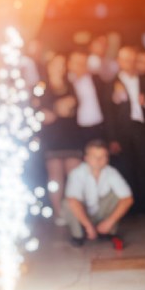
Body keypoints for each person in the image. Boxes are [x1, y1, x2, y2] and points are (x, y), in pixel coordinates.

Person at [110, 46, 145, 212]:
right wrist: (112, 138)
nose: (129, 63)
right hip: (122, 130)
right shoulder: (112, 84)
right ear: (119, 62)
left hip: (141, 127)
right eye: (125, 59)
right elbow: (109, 113)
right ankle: (130, 207)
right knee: (126, 167)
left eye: (131, 59)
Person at [65, 140, 133, 248]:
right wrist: (88, 226)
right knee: (68, 202)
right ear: (86, 158)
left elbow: (127, 199)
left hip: (101, 213)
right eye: (94, 156)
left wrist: (109, 222)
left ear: (107, 159)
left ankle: (107, 231)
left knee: (118, 196)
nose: (98, 160)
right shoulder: (77, 173)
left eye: (102, 156)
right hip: (84, 213)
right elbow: (73, 201)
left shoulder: (111, 172)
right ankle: (78, 235)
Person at [38, 53, 82, 221]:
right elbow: (44, 114)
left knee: (75, 176)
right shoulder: (42, 87)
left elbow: (72, 108)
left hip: (70, 135)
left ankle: (75, 211)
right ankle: (58, 213)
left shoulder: (70, 85)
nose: (61, 68)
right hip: (52, 137)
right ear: (49, 66)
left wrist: (58, 109)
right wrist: (58, 108)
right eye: (57, 64)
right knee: (55, 177)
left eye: (63, 64)